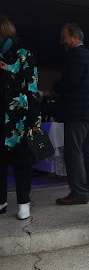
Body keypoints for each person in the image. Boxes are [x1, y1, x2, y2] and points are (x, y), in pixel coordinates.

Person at [54, 23, 89, 205]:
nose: (62, 41)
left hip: (80, 111)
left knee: (73, 151)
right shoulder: (88, 55)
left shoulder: (76, 54)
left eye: (64, 37)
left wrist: (54, 88)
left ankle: (78, 192)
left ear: (75, 36)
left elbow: (72, 81)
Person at [0, 15, 41, 220]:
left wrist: (34, 120)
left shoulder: (23, 54)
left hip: (19, 118)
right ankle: (1, 201)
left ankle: (23, 202)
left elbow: (32, 88)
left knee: (22, 161)